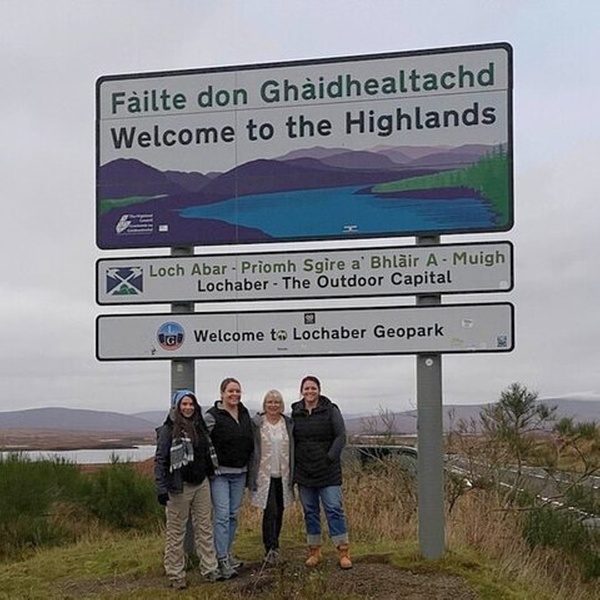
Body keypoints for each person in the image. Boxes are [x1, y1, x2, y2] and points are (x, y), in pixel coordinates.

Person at [154, 389, 222, 589]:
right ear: (176, 406)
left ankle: (210, 568)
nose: (188, 407)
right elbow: (160, 460)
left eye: (191, 404)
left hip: (201, 483)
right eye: (184, 404)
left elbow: (206, 454)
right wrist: (161, 487)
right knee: (176, 532)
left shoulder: (200, 426)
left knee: (205, 528)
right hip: (178, 487)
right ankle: (176, 574)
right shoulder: (167, 430)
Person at [291, 375, 352, 569]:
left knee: (334, 509)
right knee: (310, 511)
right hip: (304, 471)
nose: (310, 391)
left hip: (328, 471)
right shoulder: (295, 412)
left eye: (313, 388)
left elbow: (341, 436)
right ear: (302, 391)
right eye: (306, 388)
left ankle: (343, 551)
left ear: (319, 390)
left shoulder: (331, 410)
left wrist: (329, 458)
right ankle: (314, 551)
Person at [205, 377, 254, 579]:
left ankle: (227, 552)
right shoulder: (212, 416)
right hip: (220, 474)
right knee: (222, 516)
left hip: (240, 473)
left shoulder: (244, 413)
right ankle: (221, 558)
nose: (234, 394)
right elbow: (203, 441)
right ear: (222, 393)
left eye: (237, 391)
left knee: (233, 515)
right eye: (231, 391)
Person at [249, 389, 294, 565]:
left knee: (280, 510)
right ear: (265, 404)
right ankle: (270, 548)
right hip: (264, 475)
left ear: (281, 405)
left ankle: (275, 546)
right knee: (270, 511)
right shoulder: (257, 423)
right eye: (270, 402)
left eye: (277, 402)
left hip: (283, 474)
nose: (273, 405)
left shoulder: (288, 423)